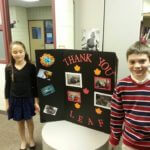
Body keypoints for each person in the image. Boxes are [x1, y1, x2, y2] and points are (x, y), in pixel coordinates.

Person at [109, 41, 150, 150]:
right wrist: (114, 139)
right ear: (127, 62)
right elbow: (116, 116)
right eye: (132, 62)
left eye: (142, 61)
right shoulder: (121, 86)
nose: (137, 66)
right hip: (129, 144)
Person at [5, 41, 40, 150]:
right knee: (20, 122)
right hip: (14, 99)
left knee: (29, 121)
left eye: (20, 51)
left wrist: (36, 102)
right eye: (15, 52)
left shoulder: (31, 67)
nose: (18, 54)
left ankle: (31, 139)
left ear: (25, 52)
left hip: (28, 98)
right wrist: (6, 102)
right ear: (11, 53)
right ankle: (23, 141)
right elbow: (7, 86)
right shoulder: (9, 68)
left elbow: (35, 86)